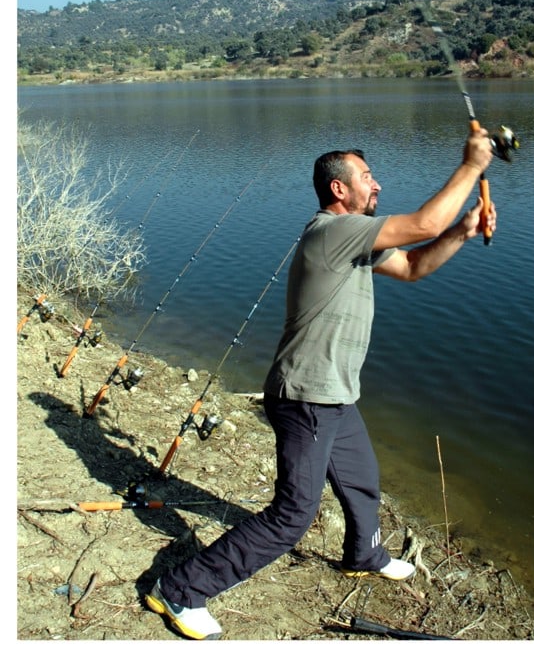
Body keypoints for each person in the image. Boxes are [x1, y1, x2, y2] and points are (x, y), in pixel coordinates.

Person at [145, 128, 496, 640]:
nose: (377, 185)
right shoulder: (334, 232)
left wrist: (463, 230)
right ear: (339, 189)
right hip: (306, 398)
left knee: (361, 480)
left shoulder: (356, 239)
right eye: (367, 178)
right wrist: (471, 166)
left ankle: (364, 554)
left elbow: (414, 265)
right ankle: (181, 588)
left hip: (335, 396)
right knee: (292, 516)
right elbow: (425, 223)